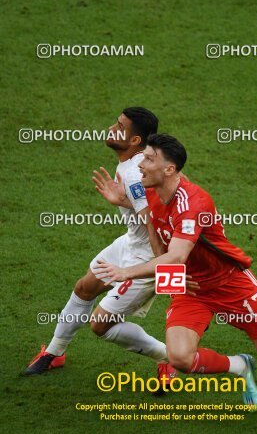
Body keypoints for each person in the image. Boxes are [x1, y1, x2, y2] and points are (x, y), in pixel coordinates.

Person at [93, 133, 257, 430]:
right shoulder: (149, 189)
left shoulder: (194, 203)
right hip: (193, 289)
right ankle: (239, 365)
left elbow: (176, 256)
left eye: (149, 158)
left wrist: (128, 272)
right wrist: (123, 201)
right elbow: (154, 228)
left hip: (231, 284)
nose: (141, 163)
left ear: (170, 169)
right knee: (179, 359)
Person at [24, 108, 176, 385]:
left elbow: (152, 220)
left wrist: (162, 268)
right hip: (131, 242)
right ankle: (55, 352)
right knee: (84, 288)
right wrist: (124, 202)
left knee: (100, 324)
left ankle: (168, 357)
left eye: (119, 126)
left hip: (148, 254)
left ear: (134, 140)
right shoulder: (135, 162)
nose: (110, 128)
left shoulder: (136, 172)